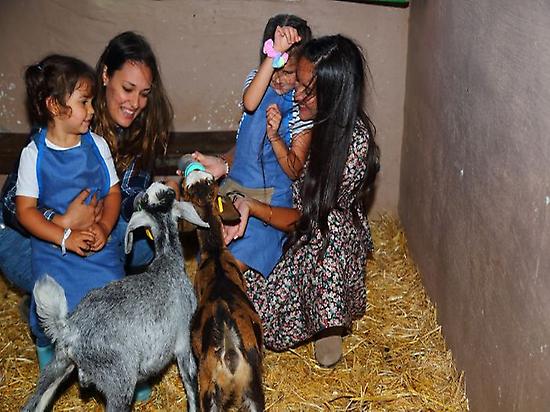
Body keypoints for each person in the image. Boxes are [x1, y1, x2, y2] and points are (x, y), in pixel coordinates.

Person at [0, 31, 175, 401]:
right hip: (38, 237)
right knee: (56, 281)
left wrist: (108, 223)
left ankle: (119, 358)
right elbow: (14, 206)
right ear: (105, 77)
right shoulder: (50, 139)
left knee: (127, 257)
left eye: (144, 94)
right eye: (128, 89)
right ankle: (48, 330)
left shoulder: (103, 141)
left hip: (94, 231)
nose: (136, 103)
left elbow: (118, 198)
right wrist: (64, 223)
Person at [198, 35, 380, 368]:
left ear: (335, 90)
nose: (297, 94)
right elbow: (258, 148)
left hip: (318, 234)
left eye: (307, 88)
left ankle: (328, 319)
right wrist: (224, 163)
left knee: (330, 235)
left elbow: (307, 220)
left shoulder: (352, 145)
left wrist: (253, 208)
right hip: (284, 216)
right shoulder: (303, 108)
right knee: (247, 296)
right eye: (298, 82)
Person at [14, 54, 124, 369]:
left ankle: (116, 361)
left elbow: (113, 192)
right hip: (54, 250)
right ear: (55, 105)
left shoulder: (97, 145)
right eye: (84, 102)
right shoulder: (34, 155)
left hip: (96, 246)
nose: (92, 110)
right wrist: (64, 236)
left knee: (112, 295)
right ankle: (47, 346)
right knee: (52, 302)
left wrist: (103, 227)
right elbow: (26, 211)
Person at [192, 14, 313, 278]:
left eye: (289, 72)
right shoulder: (257, 80)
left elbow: (293, 170)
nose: (278, 79)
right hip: (233, 191)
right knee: (210, 257)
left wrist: (275, 136)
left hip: (267, 206)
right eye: (273, 67)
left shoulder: (300, 107)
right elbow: (250, 103)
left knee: (233, 266)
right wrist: (274, 57)